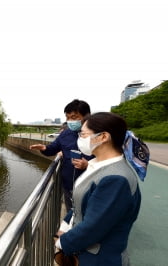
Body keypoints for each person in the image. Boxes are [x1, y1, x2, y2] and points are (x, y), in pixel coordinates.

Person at [55, 112, 141, 265]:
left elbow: (93, 227)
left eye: (83, 134)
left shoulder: (116, 179)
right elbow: (80, 205)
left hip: (100, 259)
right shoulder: (97, 165)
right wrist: (65, 225)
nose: (79, 139)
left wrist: (62, 242)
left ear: (103, 137)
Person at [29, 99, 92, 211]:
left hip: (90, 187)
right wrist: (44, 148)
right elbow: (53, 148)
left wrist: (88, 165)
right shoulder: (65, 134)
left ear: (87, 116)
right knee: (71, 212)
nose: (70, 121)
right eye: (67, 118)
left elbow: (107, 161)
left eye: (74, 117)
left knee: (89, 215)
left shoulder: (97, 135)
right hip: (69, 186)